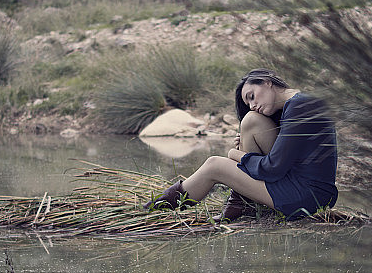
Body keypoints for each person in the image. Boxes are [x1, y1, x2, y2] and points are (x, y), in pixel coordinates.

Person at [143, 68, 338, 221]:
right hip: (303, 190)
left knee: (214, 165)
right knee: (251, 121)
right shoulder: (297, 104)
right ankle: (242, 203)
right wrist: (246, 144)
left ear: (267, 82)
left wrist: (236, 155)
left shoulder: (301, 106)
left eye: (251, 96)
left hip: (306, 197)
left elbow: (272, 169)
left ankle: (158, 209)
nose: (252, 105)